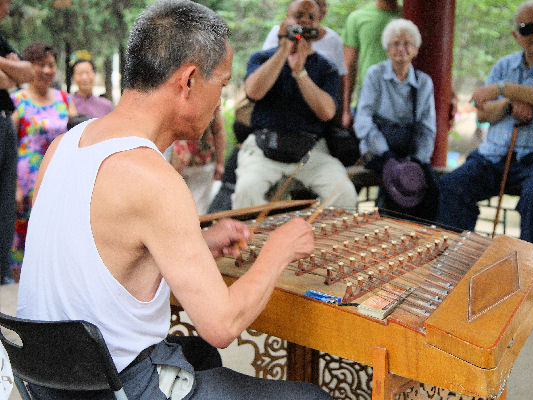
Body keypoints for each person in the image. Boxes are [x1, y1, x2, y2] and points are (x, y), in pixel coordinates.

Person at [16, 1, 330, 399]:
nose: (220, 103)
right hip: (114, 388)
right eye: (221, 83)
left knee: (195, 354)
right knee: (312, 396)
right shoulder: (154, 178)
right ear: (189, 81)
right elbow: (222, 326)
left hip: (45, 383)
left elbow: (93, 256)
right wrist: (279, 249)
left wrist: (199, 242)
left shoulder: (63, 146)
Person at [437, 0, 533, 251]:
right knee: (452, 186)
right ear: (516, 35)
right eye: (528, 28)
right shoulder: (504, 65)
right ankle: (456, 258)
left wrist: (502, 89)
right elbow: (483, 114)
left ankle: (531, 276)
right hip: (497, 154)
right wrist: (508, 103)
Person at [232, 0, 357, 210]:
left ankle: (319, 240)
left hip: (310, 151)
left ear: (318, 29)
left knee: (343, 194)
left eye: (311, 18)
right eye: (299, 15)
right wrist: (283, 51)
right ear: (286, 20)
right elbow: (253, 92)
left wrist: (301, 72)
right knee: (247, 191)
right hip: (264, 147)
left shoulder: (326, 68)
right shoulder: (262, 58)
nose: (305, 21)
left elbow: (327, 112)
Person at [353, 18, 437, 221]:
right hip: (378, 148)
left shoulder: (423, 81)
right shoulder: (375, 74)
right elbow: (363, 119)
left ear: (415, 49)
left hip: (410, 150)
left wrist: (418, 160)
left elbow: (427, 127)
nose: (401, 49)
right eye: (395, 44)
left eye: (407, 43)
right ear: (387, 49)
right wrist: (386, 153)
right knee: (395, 186)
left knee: (431, 189)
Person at [10, 43, 77, 281]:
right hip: (25, 187)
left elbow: (75, 140)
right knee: (22, 245)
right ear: (29, 68)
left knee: (55, 243)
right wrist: (14, 186)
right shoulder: (16, 101)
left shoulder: (64, 99)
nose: (47, 70)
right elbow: (9, 147)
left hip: (59, 184)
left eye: (51, 65)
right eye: (40, 65)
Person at [0, 0, 34, 285]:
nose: (7, 10)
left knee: (5, 206)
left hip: (4, 122)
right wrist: (9, 71)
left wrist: (6, 68)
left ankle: (1, 275)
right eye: (5, 2)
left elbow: (26, 74)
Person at [341, 0, 401, 129]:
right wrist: (345, 109)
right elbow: (349, 66)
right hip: (368, 104)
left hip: (403, 105)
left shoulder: (411, 15)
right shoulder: (358, 17)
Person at [170, 108, 226, 214]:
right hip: (179, 163)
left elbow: (218, 130)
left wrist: (220, 162)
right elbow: (218, 130)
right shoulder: (210, 94)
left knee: (195, 209)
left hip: (200, 163)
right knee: (186, 207)